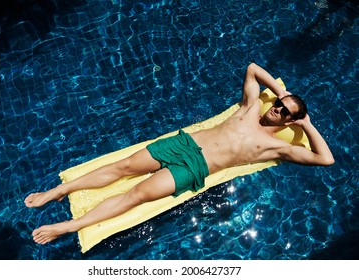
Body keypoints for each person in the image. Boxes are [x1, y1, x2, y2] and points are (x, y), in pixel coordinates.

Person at [25, 63, 334, 245]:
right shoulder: (251, 107)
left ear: (290, 121)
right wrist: (281, 93)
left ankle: (69, 226)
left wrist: (306, 124)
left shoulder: (278, 146)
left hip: (195, 167)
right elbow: (253, 68)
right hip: (183, 144)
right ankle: (59, 190)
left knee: (137, 195)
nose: (278, 110)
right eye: (280, 106)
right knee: (123, 166)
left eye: (285, 113)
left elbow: (325, 159)